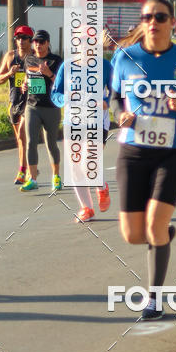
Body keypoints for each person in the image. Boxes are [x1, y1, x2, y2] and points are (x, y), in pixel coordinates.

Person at [110, 0, 176, 321]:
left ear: (172, 22)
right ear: (142, 22)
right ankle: (164, 236)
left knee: (153, 226)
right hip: (133, 151)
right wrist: (119, 113)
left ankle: (153, 299)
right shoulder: (125, 57)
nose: (153, 22)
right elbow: (114, 97)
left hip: (173, 152)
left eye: (160, 17)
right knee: (133, 235)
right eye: (148, 16)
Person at [51, 44, 113, 223]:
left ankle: (101, 186)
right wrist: (65, 98)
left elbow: (116, 89)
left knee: (88, 161)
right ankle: (87, 208)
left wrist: (105, 101)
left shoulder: (105, 66)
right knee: (75, 166)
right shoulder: (67, 66)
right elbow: (56, 94)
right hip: (73, 122)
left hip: (96, 121)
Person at [20, 30, 63, 192]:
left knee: (51, 143)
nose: (38, 44)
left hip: (51, 107)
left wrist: (49, 74)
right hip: (32, 107)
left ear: (47, 43)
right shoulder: (29, 59)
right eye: (35, 41)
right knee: (30, 142)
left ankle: (56, 176)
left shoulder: (56, 60)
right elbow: (27, 76)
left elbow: (62, 85)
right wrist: (25, 85)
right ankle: (33, 179)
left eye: (41, 42)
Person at [0, 24, 34, 184]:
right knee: (20, 140)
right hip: (15, 101)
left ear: (30, 40)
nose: (21, 41)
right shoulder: (10, 57)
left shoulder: (35, 56)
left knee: (22, 134)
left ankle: (23, 170)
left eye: (24, 38)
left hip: (31, 102)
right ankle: (27, 168)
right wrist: (9, 73)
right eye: (18, 38)